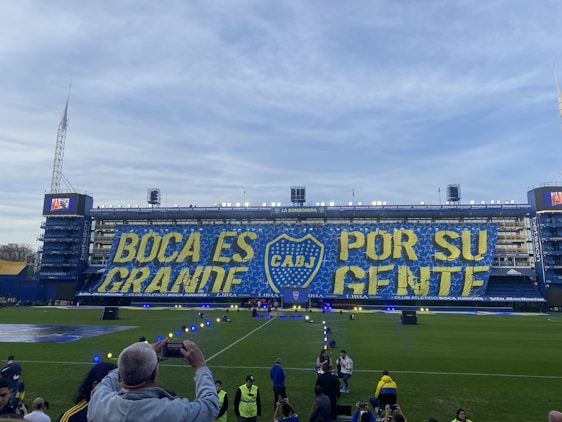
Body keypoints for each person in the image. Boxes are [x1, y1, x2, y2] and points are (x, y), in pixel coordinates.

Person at [87, 339, 219, 422]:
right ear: (155, 374)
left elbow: (107, 381)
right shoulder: (172, 412)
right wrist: (201, 366)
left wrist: (136, 357)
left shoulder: (100, 402)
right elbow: (209, 406)